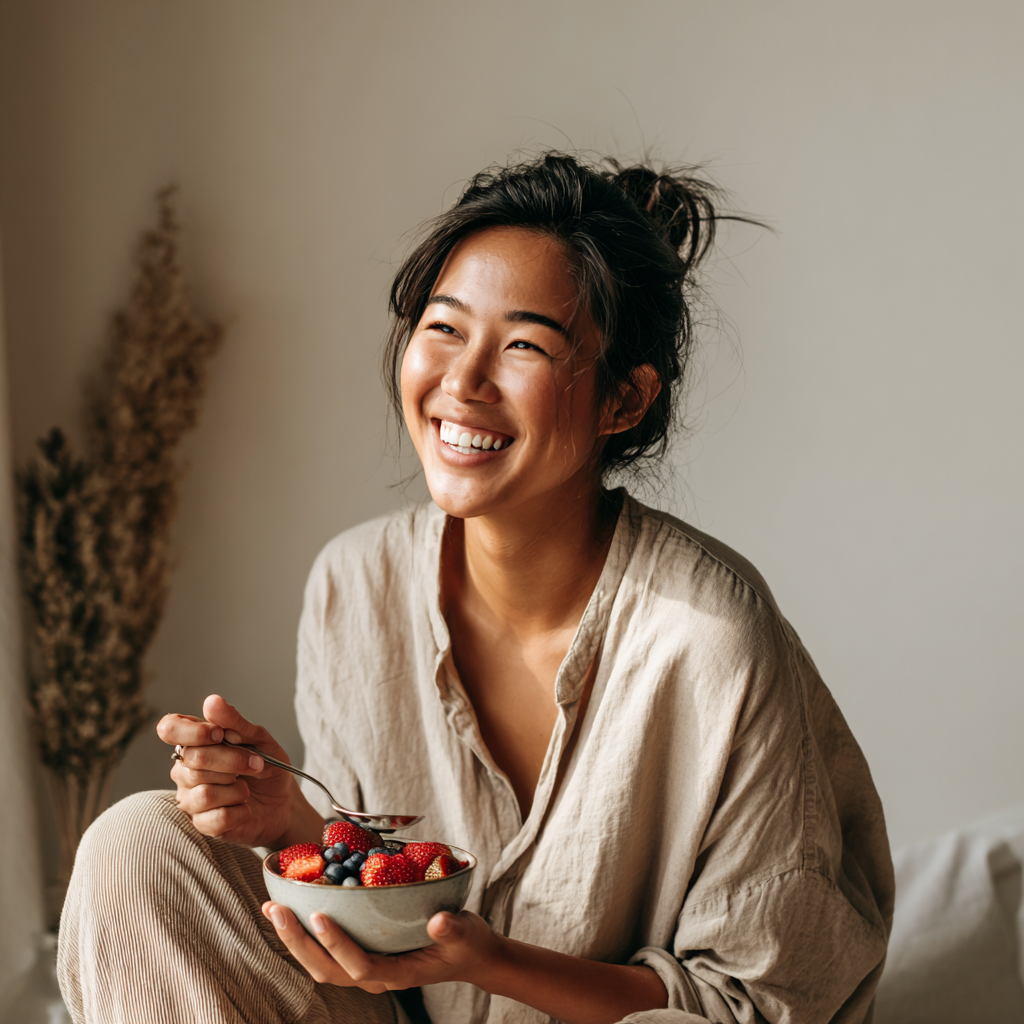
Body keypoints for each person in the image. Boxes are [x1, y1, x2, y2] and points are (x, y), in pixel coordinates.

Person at [58, 153, 894, 1024]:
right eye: (445, 328)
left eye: (525, 345)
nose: (462, 381)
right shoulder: (356, 587)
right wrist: (293, 827)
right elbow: (384, 935)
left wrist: (498, 963)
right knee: (137, 843)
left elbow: (753, 1004)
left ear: (625, 399)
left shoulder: (712, 636)